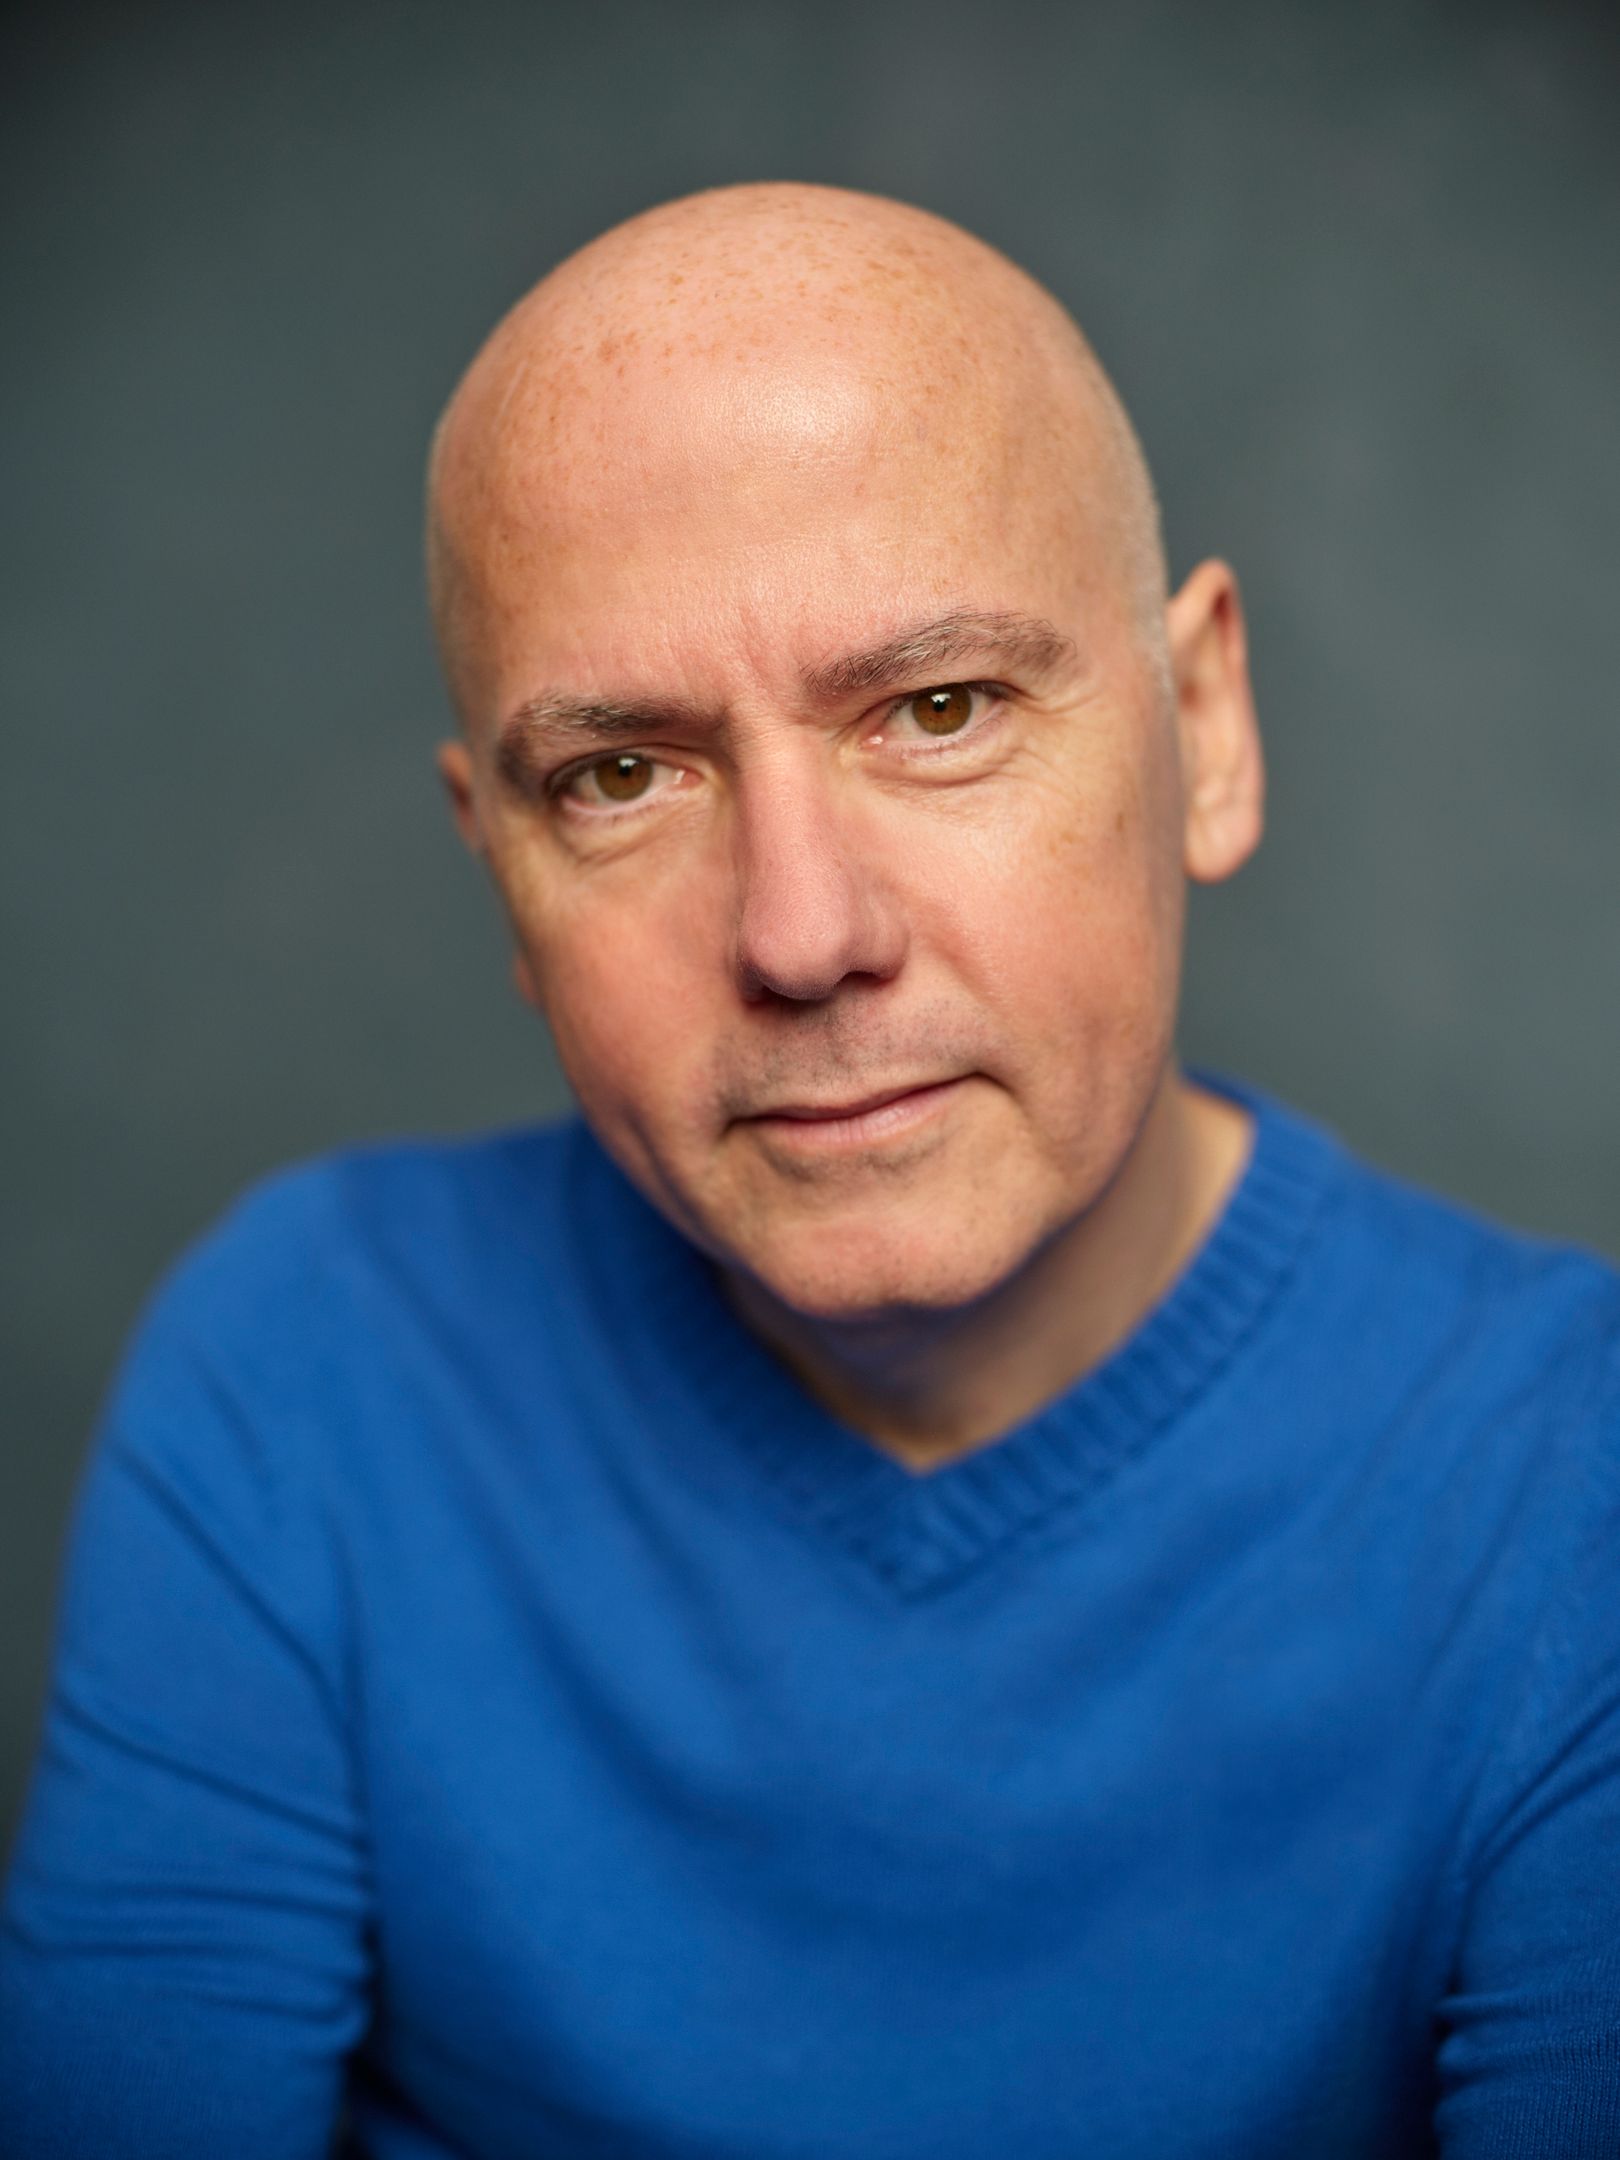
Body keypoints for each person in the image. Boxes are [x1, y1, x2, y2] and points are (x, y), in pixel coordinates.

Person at [1, 181, 1616, 2160]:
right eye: (619, 775)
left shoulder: (1578, 1487)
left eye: (938, 710)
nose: (800, 932)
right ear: (500, 869)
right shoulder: (305, 1377)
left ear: (1202, 729)